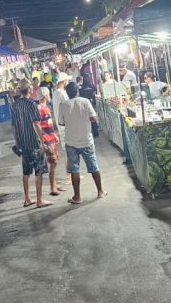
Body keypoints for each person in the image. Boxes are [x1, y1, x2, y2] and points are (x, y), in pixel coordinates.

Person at [57, 82, 106, 203]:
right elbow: (94, 118)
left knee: (74, 169)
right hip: (86, 139)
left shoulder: (63, 105)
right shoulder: (85, 101)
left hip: (71, 141)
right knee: (94, 166)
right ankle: (100, 191)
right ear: (77, 91)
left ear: (67, 93)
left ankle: (77, 196)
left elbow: (61, 123)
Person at [12, 80, 52, 208]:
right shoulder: (31, 104)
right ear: (29, 89)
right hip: (34, 142)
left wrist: (17, 142)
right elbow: (36, 124)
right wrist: (43, 141)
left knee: (26, 172)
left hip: (23, 143)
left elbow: (14, 126)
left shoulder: (15, 105)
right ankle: (39, 200)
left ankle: (27, 199)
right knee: (38, 171)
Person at [37, 88, 64, 196]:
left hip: (50, 138)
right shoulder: (40, 109)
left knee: (54, 162)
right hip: (46, 140)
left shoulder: (45, 107)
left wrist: (54, 135)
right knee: (53, 162)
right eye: (48, 94)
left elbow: (48, 125)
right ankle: (52, 187)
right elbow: (38, 125)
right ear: (44, 95)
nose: (49, 96)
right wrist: (43, 139)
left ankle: (54, 184)